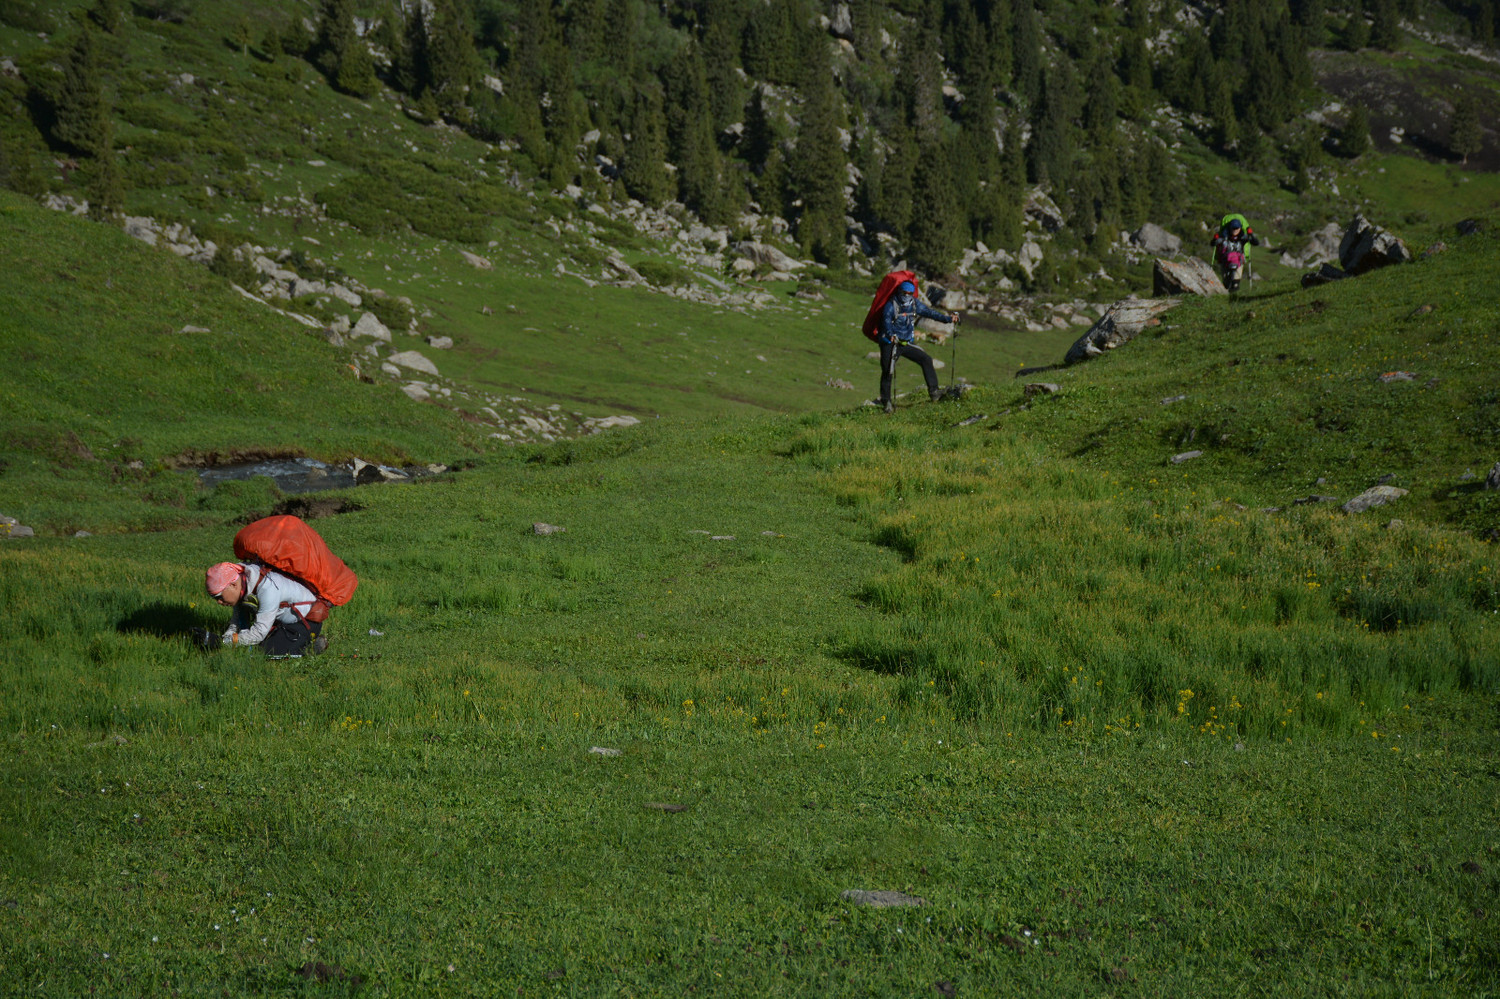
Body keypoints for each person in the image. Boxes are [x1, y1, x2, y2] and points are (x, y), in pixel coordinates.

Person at [204, 561, 326, 658]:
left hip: (306, 623)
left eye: (219, 596)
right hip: (280, 621)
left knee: (261, 652)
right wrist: (226, 639)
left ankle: (310, 648)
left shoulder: (267, 588)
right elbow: (236, 621)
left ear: (233, 585)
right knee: (247, 645)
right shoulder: (241, 581)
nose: (219, 602)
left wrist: (223, 642)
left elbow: (258, 634)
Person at [877, 280, 957, 413]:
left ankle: (934, 392)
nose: (907, 296)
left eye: (910, 293)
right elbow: (886, 321)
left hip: (906, 342)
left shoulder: (914, 304)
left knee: (925, 359)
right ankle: (886, 402)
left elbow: (930, 313)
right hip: (890, 343)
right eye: (904, 293)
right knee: (888, 372)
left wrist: (947, 319)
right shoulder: (891, 305)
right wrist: (891, 334)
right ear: (899, 292)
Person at [1211, 214, 1260, 291]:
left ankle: (1233, 298)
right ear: (1229, 228)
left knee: (1235, 284)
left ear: (1240, 228)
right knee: (1226, 284)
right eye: (1233, 228)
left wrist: (1251, 235)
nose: (1235, 230)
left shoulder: (1243, 237)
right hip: (1225, 262)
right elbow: (1213, 244)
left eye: (1237, 228)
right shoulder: (1224, 237)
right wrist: (1215, 240)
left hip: (1238, 262)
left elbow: (1256, 243)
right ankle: (1226, 298)